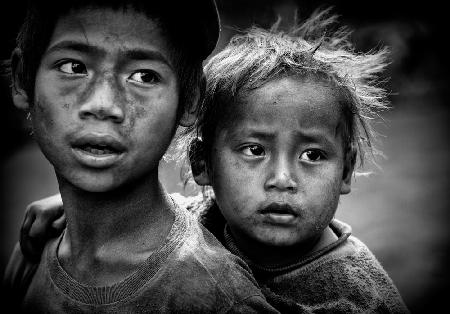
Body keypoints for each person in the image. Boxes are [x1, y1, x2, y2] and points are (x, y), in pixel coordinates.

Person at [15, 8, 410, 313]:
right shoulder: (213, 218)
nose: (282, 179)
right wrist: (78, 208)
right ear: (203, 164)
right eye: (255, 150)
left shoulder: (359, 297)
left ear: (345, 169)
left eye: (313, 155)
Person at [2, 1, 279, 313]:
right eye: (74, 67)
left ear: (191, 100)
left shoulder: (214, 296)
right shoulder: (33, 251)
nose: (103, 104)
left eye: (144, 76)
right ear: (23, 78)